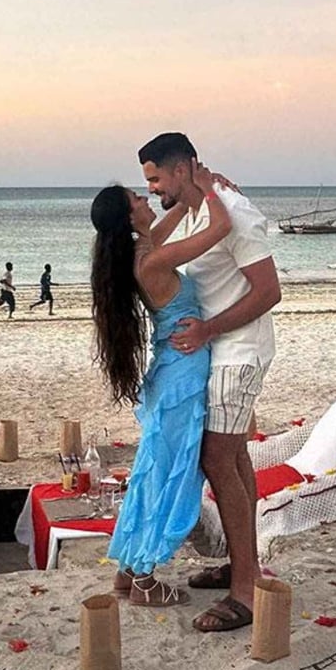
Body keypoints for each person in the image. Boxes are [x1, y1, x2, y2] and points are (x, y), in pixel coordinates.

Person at [141, 132, 280, 634]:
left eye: (157, 178)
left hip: (237, 350)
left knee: (217, 457)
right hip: (215, 350)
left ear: (182, 170)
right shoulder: (200, 210)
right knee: (234, 457)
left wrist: (208, 329)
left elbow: (269, 291)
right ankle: (245, 565)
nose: (154, 189)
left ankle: (245, 588)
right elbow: (154, 241)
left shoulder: (235, 213)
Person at [90, 162, 229, 608]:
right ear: (129, 217)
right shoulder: (153, 258)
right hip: (182, 376)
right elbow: (219, 228)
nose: (146, 198)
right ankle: (147, 575)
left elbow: (177, 216)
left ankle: (130, 569)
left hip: (172, 370)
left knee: (153, 471)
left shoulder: (146, 248)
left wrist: (191, 189)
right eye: (137, 198)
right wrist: (208, 190)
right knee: (173, 474)